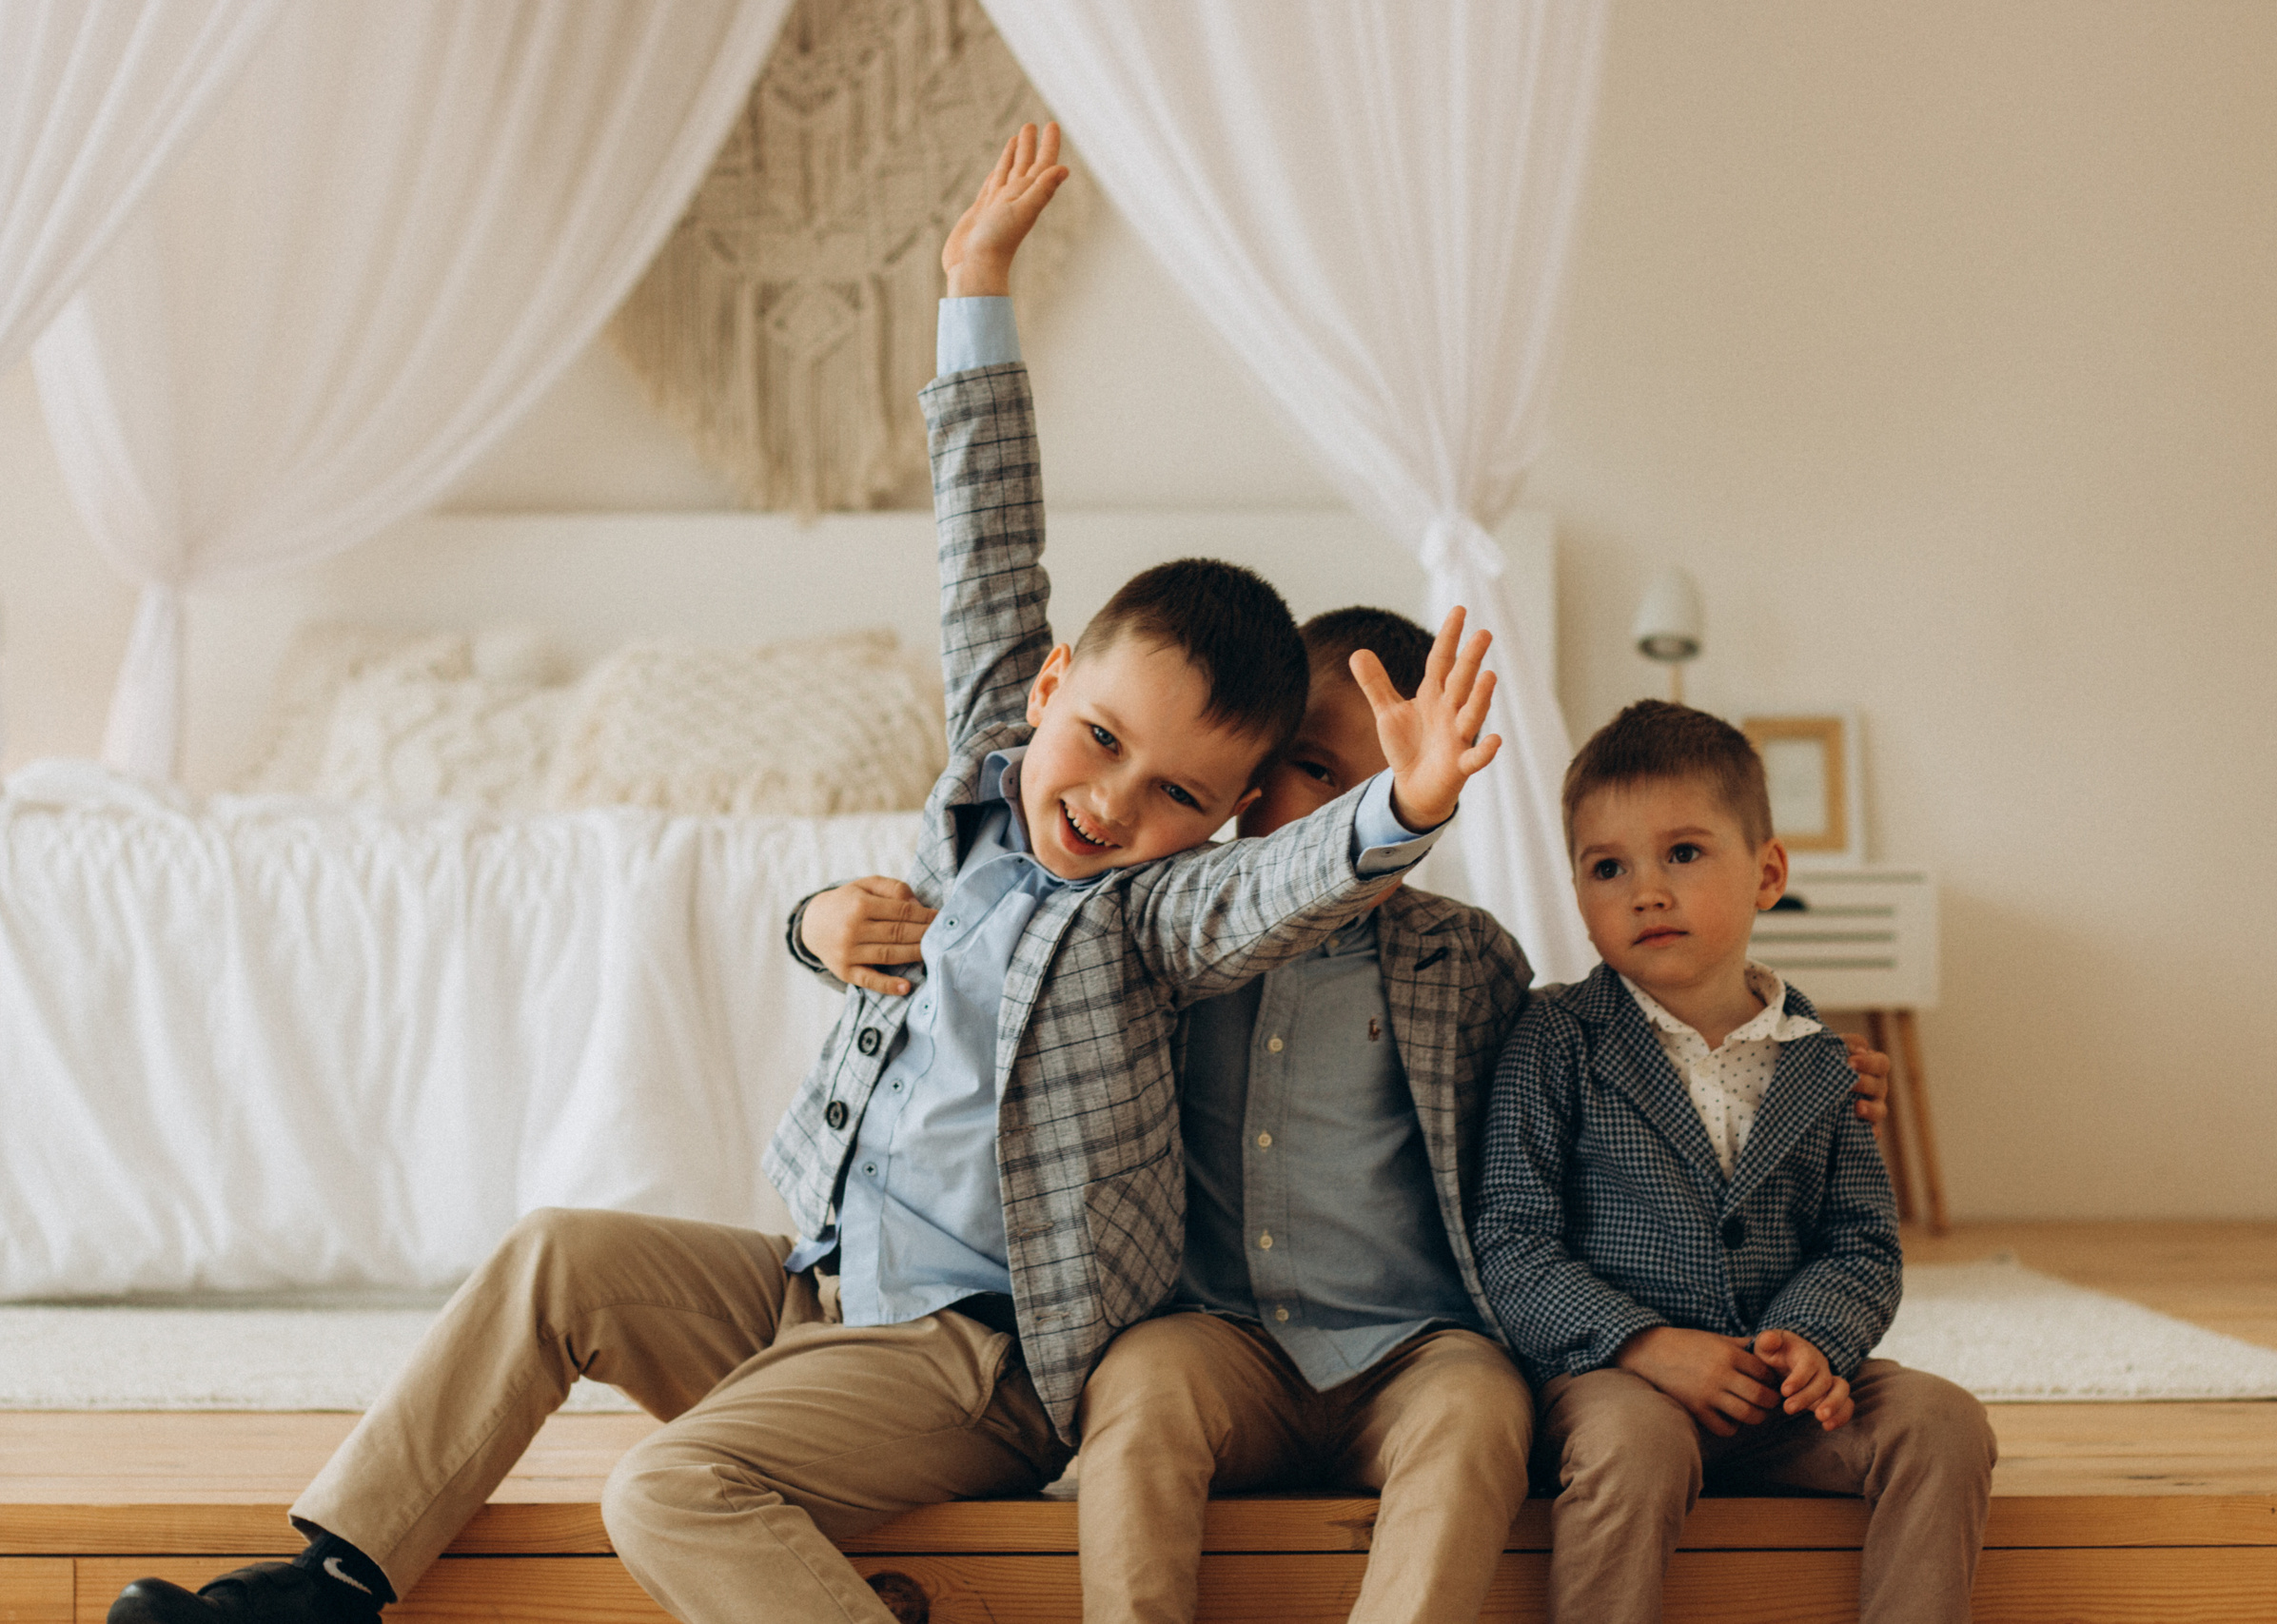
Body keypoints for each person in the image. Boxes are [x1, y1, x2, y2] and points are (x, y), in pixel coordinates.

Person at [108, 124, 1503, 1624]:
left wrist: (1398, 810)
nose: (1109, 801)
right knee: (553, 1255)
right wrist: (975, 283)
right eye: (1097, 739)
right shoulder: (980, 772)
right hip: (817, 1290)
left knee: (667, 1486)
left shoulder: (1156, 919)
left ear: (1225, 819)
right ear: (1041, 695)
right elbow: (988, 539)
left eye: (1177, 794)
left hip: (978, 1358)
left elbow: (1270, 891)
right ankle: (334, 1576)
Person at [818, 624, 1894, 1624]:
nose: (1343, 810)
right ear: (1242, 783)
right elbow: (995, 964)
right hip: (1216, 1331)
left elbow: (1591, 1072)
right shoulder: (1148, 929)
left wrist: (1768, 1055)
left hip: (1414, 1343)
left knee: (1480, 1415)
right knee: (1137, 1395)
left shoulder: (1470, 960)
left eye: (1387, 781)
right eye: (1313, 770)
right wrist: (814, 922)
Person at [1474, 700, 1994, 1624]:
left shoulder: (1819, 1058)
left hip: (1781, 1395)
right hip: (1618, 1383)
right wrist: (1642, 1344)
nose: (1646, 890)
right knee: (1635, 1447)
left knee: (1942, 1420)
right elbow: (1513, 1241)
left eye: (1682, 852)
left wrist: (1811, 1342)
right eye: (1607, 867)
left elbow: (1860, 1243)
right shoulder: (1554, 1038)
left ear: (1767, 871)